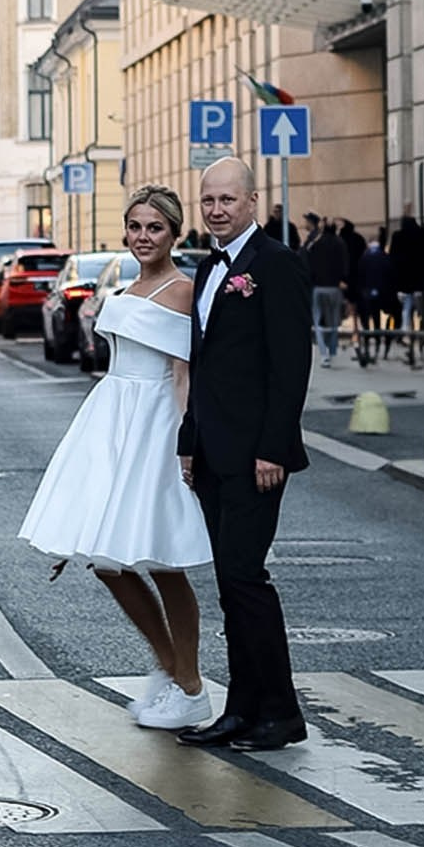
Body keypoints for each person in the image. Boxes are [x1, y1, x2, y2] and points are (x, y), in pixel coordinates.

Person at [18, 185, 213, 731]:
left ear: (174, 233)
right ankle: (169, 667)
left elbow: (181, 372)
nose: (143, 237)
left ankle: (190, 685)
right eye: (134, 226)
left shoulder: (181, 289)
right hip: (109, 421)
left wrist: (186, 442)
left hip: (155, 423)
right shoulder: (126, 288)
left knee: (163, 559)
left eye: (154, 227)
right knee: (107, 561)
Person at [174, 157, 311, 751]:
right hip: (211, 453)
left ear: (253, 202)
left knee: (244, 577)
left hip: (258, 455)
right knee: (231, 585)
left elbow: (290, 365)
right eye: (208, 201)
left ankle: (281, 713)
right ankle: (242, 710)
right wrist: (189, 441)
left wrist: (274, 448)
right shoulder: (207, 270)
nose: (217, 210)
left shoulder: (276, 265)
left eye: (228, 200)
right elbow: (201, 365)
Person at [388, 207, 424, 341]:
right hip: (420, 280)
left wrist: (394, 279)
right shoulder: (423, 234)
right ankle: (421, 330)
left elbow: (393, 259)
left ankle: (407, 332)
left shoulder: (398, 236)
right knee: (421, 306)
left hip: (404, 281)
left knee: (407, 307)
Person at [302, 218, 347, 361]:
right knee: (333, 320)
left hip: (318, 287)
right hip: (334, 287)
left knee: (318, 320)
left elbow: (309, 262)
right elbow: (345, 264)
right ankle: (332, 349)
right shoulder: (340, 244)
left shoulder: (316, 244)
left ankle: (323, 353)